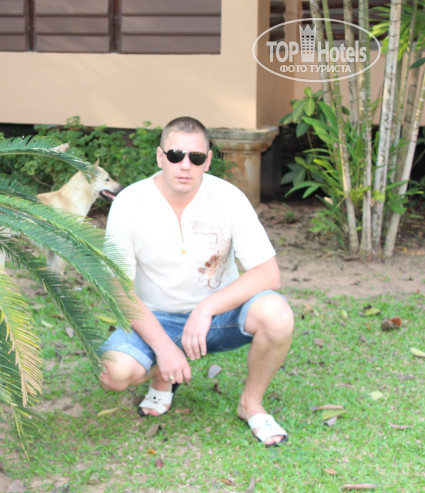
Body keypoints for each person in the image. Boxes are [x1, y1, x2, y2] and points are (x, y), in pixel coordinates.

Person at [99, 116, 294, 446]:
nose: (185, 165)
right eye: (175, 155)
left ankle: (251, 403)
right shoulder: (130, 203)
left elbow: (268, 273)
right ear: (160, 157)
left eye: (196, 156)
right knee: (114, 373)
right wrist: (164, 347)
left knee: (277, 315)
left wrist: (206, 309)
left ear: (208, 160)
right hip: (156, 317)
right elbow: (117, 288)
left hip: (219, 319)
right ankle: (163, 372)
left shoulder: (229, 198)